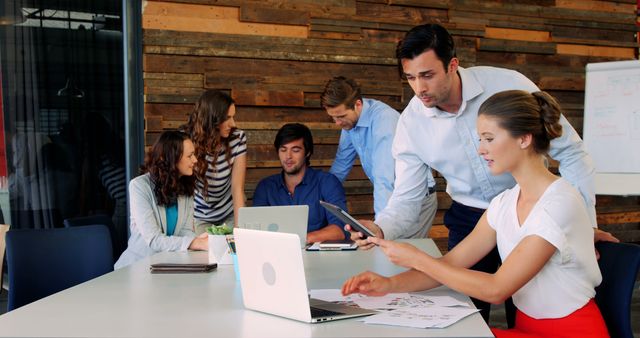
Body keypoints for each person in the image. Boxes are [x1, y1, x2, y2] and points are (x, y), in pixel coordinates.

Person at [346, 23, 617, 323]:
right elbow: (410, 201)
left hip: (538, 215)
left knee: (527, 300)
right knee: (465, 315)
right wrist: (385, 262)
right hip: (477, 216)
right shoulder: (412, 123)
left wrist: (583, 226)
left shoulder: (509, 87)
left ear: (452, 65)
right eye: (411, 78)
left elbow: (571, 153)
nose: (419, 88)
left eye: (427, 75)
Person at [321, 76, 437, 238]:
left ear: (358, 105)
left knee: (400, 258)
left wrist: (379, 229)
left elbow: (385, 179)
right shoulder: (349, 124)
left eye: (340, 116)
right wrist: (320, 196)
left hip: (415, 200)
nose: (337, 123)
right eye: (333, 117)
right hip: (395, 199)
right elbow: (341, 165)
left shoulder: (384, 121)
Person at [115, 131, 208, 269]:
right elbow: (154, 240)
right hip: (137, 268)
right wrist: (195, 243)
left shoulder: (186, 186)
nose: (195, 160)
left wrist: (199, 239)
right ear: (171, 158)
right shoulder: (139, 186)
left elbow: (185, 231)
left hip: (168, 266)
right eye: (189, 156)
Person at [252, 123, 349, 243]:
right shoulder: (265, 187)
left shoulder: (327, 182)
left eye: (295, 150)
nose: (288, 156)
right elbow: (255, 232)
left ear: (307, 152)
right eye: (283, 150)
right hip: (277, 256)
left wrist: (299, 240)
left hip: (320, 257)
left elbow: (340, 230)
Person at [183, 90, 247, 234]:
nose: (233, 123)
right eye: (227, 118)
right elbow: (184, 191)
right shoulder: (185, 141)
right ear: (212, 119)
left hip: (229, 214)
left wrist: (239, 231)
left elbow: (237, 188)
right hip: (199, 218)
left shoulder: (238, 138)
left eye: (233, 117)